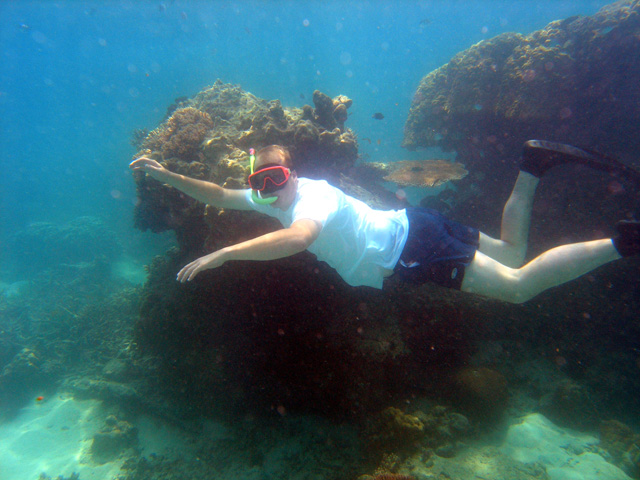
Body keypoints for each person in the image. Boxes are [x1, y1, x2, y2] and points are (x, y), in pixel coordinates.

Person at [129, 141, 640, 304]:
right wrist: (165, 174)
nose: (268, 190)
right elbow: (218, 193)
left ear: (294, 173)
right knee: (510, 250)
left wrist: (226, 254)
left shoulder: (312, 200)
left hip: (411, 249)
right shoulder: (271, 200)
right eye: (259, 183)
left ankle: (625, 241)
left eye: (277, 177)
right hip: (412, 223)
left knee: (517, 286)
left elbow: (300, 236)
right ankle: (534, 164)